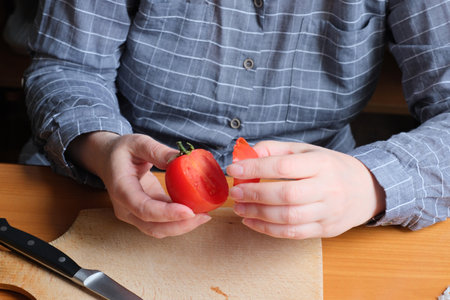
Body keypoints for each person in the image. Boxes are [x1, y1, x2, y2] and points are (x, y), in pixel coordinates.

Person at [21, 0, 449, 239]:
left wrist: (370, 184)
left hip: (323, 205)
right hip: (118, 183)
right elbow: (67, 67)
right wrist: (101, 146)